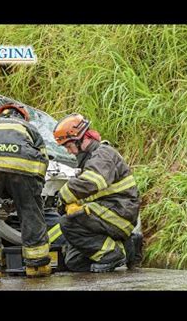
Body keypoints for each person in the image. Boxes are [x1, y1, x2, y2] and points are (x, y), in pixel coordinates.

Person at [0, 103, 51, 280]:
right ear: (22, 117)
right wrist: (33, 191)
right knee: (29, 211)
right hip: (23, 167)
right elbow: (43, 158)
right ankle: (37, 266)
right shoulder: (28, 127)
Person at [53, 113, 141, 272]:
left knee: (69, 223)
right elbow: (90, 193)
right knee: (74, 262)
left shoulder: (103, 153)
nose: (69, 152)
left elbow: (93, 181)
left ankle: (112, 254)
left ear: (81, 139)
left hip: (119, 212)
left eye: (68, 146)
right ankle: (127, 248)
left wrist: (63, 195)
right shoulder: (90, 160)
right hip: (107, 212)